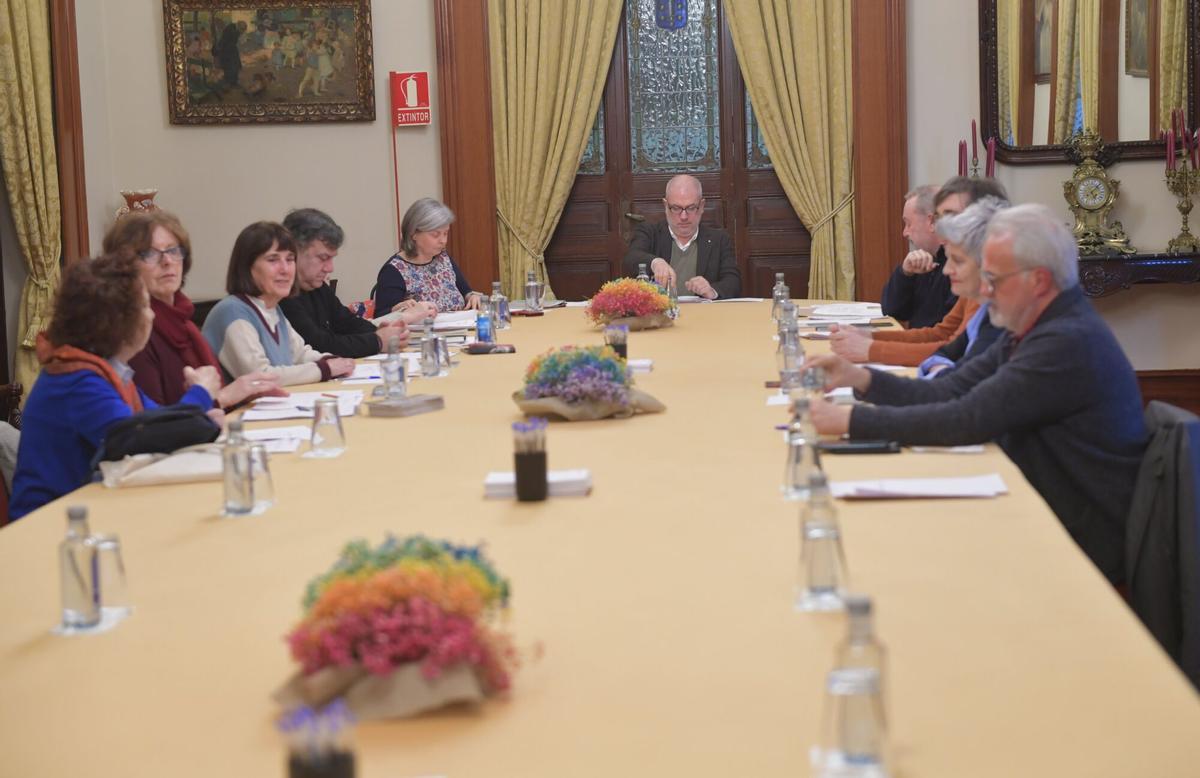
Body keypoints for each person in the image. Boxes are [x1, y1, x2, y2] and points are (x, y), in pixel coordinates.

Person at [805, 204, 1147, 584]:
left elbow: (966, 419)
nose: (984, 291)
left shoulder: (1065, 341)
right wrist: (861, 379)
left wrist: (853, 419)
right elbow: (952, 389)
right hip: (1044, 510)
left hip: (1079, 542)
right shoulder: (1034, 325)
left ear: (1039, 281)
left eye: (995, 279)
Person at [9, 255, 222, 520]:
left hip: (92, 507)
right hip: (49, 525)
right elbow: (138, 437)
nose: (152, 314)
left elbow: (155, 420)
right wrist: (200, 395)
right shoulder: (76, 379)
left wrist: (198, 421)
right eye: (145, 306)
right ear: (117, 321)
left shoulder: (107, 370)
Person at [103, 211, 285, 407]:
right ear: (125, 267)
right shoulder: (134, 333)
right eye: (149, 253)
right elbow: (152, 425)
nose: (167, 261)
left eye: (173, 250)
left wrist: (245, 393)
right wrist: (225, 397)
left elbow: (213, 397)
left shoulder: (185, 323)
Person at [832, 176, 1009, 366]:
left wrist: (871, 348)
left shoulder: (994, 281)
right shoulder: (968, 271)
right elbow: (943, 334)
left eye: (952, 217)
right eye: (940, 218)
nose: (941, 227)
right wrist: (870, 338)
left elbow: (955, 353)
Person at [202, 222, 355, 386]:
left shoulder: (271, 308)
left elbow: (300, 354)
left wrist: (333, 360)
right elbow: (260, 377)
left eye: (290, 260)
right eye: (273, 260)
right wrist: (325, 369)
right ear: (247, 267)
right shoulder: (232, 312)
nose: (285, 269)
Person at [279, 208, 420, 358]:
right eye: (322, 258)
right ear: (293, 252)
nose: (330, 268)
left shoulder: (316, 287)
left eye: (331, 258)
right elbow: (320, 344)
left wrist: (378, 331)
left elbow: (346, 321)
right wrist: (377, 340)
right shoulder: (282, 294)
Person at [916, 197, 1008, 378]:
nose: (947, 270)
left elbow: (959, 384)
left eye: (957, 261)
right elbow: (944, 353)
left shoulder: (1005, 319)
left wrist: (865, 379)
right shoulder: (988, 310)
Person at [621, 174, 741, 299]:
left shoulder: (719, 239)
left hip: (704, 315)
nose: (683, 216)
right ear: (665, 206)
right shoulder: (650, 232)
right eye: (676, 208)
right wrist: (655, 262)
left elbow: (733, 281)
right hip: (661, 315)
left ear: (702, 206)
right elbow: (631, 258)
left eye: (691, 208)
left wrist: (712, 291)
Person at [373, 198, 483, 315]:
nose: (443, 241)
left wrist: (472, 296)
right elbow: (380, 319)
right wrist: (397, 310)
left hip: (460, 330)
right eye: (435, 234)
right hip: (423, 332)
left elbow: (466, 291)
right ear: (413, 234)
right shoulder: (394, 271)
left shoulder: (443, 258)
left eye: (445, 233)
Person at [879, 184, 956, 329]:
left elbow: (943, 334)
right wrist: (904, 273)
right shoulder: (923, 259)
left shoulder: (956, 267)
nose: (905, 233)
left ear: (932, 221)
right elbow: (892, 311)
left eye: (908, 224)